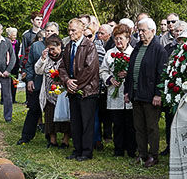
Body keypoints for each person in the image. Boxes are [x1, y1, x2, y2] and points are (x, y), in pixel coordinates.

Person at [124, 17, 167, 167]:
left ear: (153, 31)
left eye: (143, 30)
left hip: (150, 95)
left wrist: (158, 93)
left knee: (151, 127)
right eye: (139, 30)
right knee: (139, 126)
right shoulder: (137, 48)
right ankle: (141, 153)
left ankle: (153, 155)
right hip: (136, 93)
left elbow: (162, 73)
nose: (140, 33)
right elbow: (131, 71)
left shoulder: (159, 50)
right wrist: (127, 91)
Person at [59, 17, 100, 161]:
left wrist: (76, 85)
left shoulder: (89, 45)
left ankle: (87, 151)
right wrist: (67, 81)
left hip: (87, 91)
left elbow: (91, 69)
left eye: (73, 30)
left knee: (86, 122)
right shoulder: (69, 46)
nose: (70, 33)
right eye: (69, 30)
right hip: (73, 90)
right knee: (75, 122)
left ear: (82, 30)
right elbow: (62, 66)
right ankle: (77, 149)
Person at [102, 22, 135, 157]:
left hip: (129, 92)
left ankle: (132, 148)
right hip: (114, 92)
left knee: (130, 123)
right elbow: (103, 70)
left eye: (121, 38)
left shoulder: (133, 53)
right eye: (116, 38)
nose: (118, 41)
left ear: (128, 39)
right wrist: (110, 79)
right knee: (118, 123)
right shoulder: (110, 53)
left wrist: (128, 74)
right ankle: (118, 149)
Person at [34, 34, 70, 149]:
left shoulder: (66, 57)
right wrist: (43, 58)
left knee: (65, 115)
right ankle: (52, 139)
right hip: (49, 92)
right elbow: (38, 70)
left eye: (53, 49)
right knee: (49, 115)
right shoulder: (47, 58)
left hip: (63, 92)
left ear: (60, 47)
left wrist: (61, 81)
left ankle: (65, 140)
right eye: (49, 49)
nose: (52, 52)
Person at [18, 13, 45, 144]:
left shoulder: (57, 44)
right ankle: (27, 135)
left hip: (51, 82)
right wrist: (26, 74)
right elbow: (25, 56)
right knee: (33, 107)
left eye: (41, 19)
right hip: (35, 77)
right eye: (37, 19)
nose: (39, 22)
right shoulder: (28, 37)